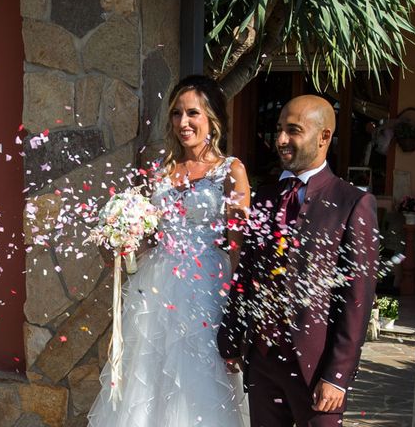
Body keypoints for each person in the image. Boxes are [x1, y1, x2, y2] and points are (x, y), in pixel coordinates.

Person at [88, 75, 251, 426]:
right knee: (146, 377)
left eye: (193, 113)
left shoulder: (230, 170)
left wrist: (238, 315)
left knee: (197, 378)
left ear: (212, 120)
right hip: (156, 284)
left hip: (205, 286)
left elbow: (239, 248)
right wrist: (121, 238)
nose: (183, 122)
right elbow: (152, 234)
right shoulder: (162, 170)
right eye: (177, 113)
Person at [218, 95, 379, 426]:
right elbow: (247, 270)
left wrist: (338, 375)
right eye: (279, 130)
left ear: (324, 137)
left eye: (293, 130)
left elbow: (357, 299)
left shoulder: (352, 203)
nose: (280, 140)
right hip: (262, 362)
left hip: (316, 367)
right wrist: (231, 337)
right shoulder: (265, 196)